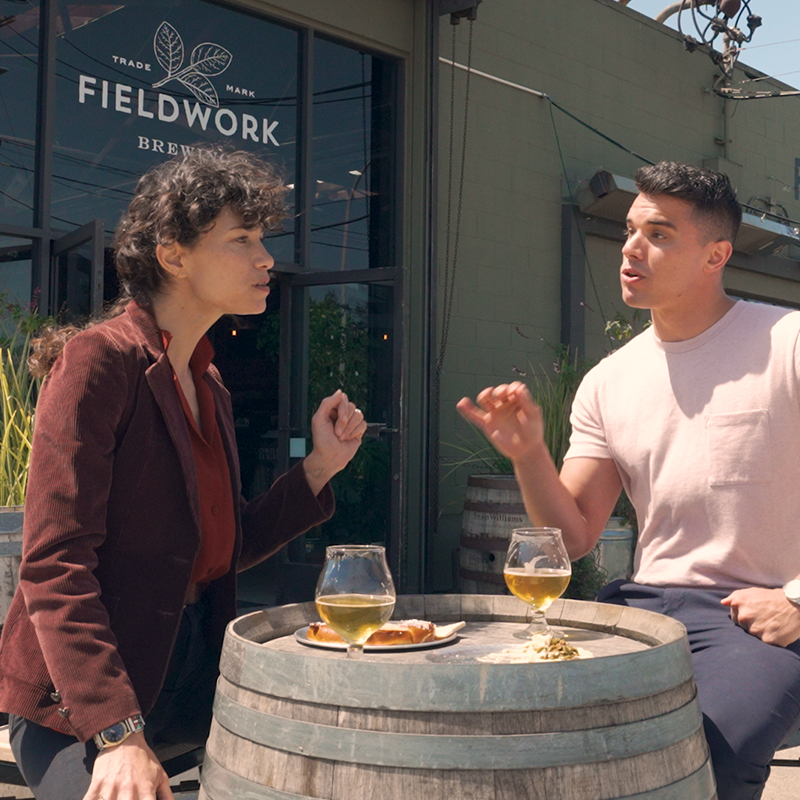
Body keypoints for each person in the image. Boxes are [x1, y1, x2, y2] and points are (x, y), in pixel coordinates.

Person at [0, 145, 367, 800]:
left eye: (262, 239)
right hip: (79, 708)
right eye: (242, 240)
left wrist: (319, 467)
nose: (266, 258)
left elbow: (222, 548)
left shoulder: (209, 384)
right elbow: (54, 565)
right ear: (173, 255)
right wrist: (117, 734)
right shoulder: (99, 363)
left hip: (191, 681)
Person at [457, 161, 800, 800]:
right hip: (645, 609)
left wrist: (798, 600)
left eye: (659, 234)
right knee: (532, 740)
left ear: (716, 255)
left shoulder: (788, 342)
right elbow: (573, 537)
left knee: (703, 764)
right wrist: (529, 455)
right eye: (630, 232)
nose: (632, 249)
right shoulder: (608, 381)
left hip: (759, 617)